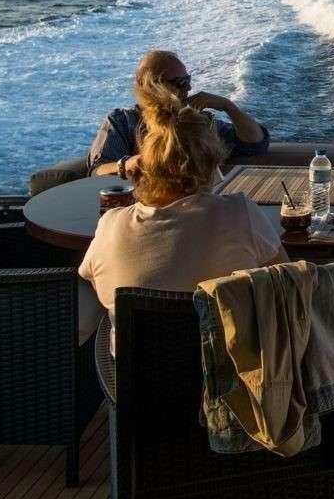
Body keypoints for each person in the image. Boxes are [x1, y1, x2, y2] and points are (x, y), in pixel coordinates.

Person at [79, 70, 285, 342]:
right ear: (211, 163)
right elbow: (284, 282)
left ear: (145, 165)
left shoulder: (110, 226)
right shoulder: (239, 213)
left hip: (137, 381)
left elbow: (93, 282)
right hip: (233, 378)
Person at [89, 50, 268, 178]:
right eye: (179, 82)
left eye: (188, 80)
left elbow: (255, 143)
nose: (188, 88)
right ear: (150, 86)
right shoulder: (122, 122)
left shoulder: (195, 121)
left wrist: (228, 106)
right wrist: (130, 164)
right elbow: (97, 171)